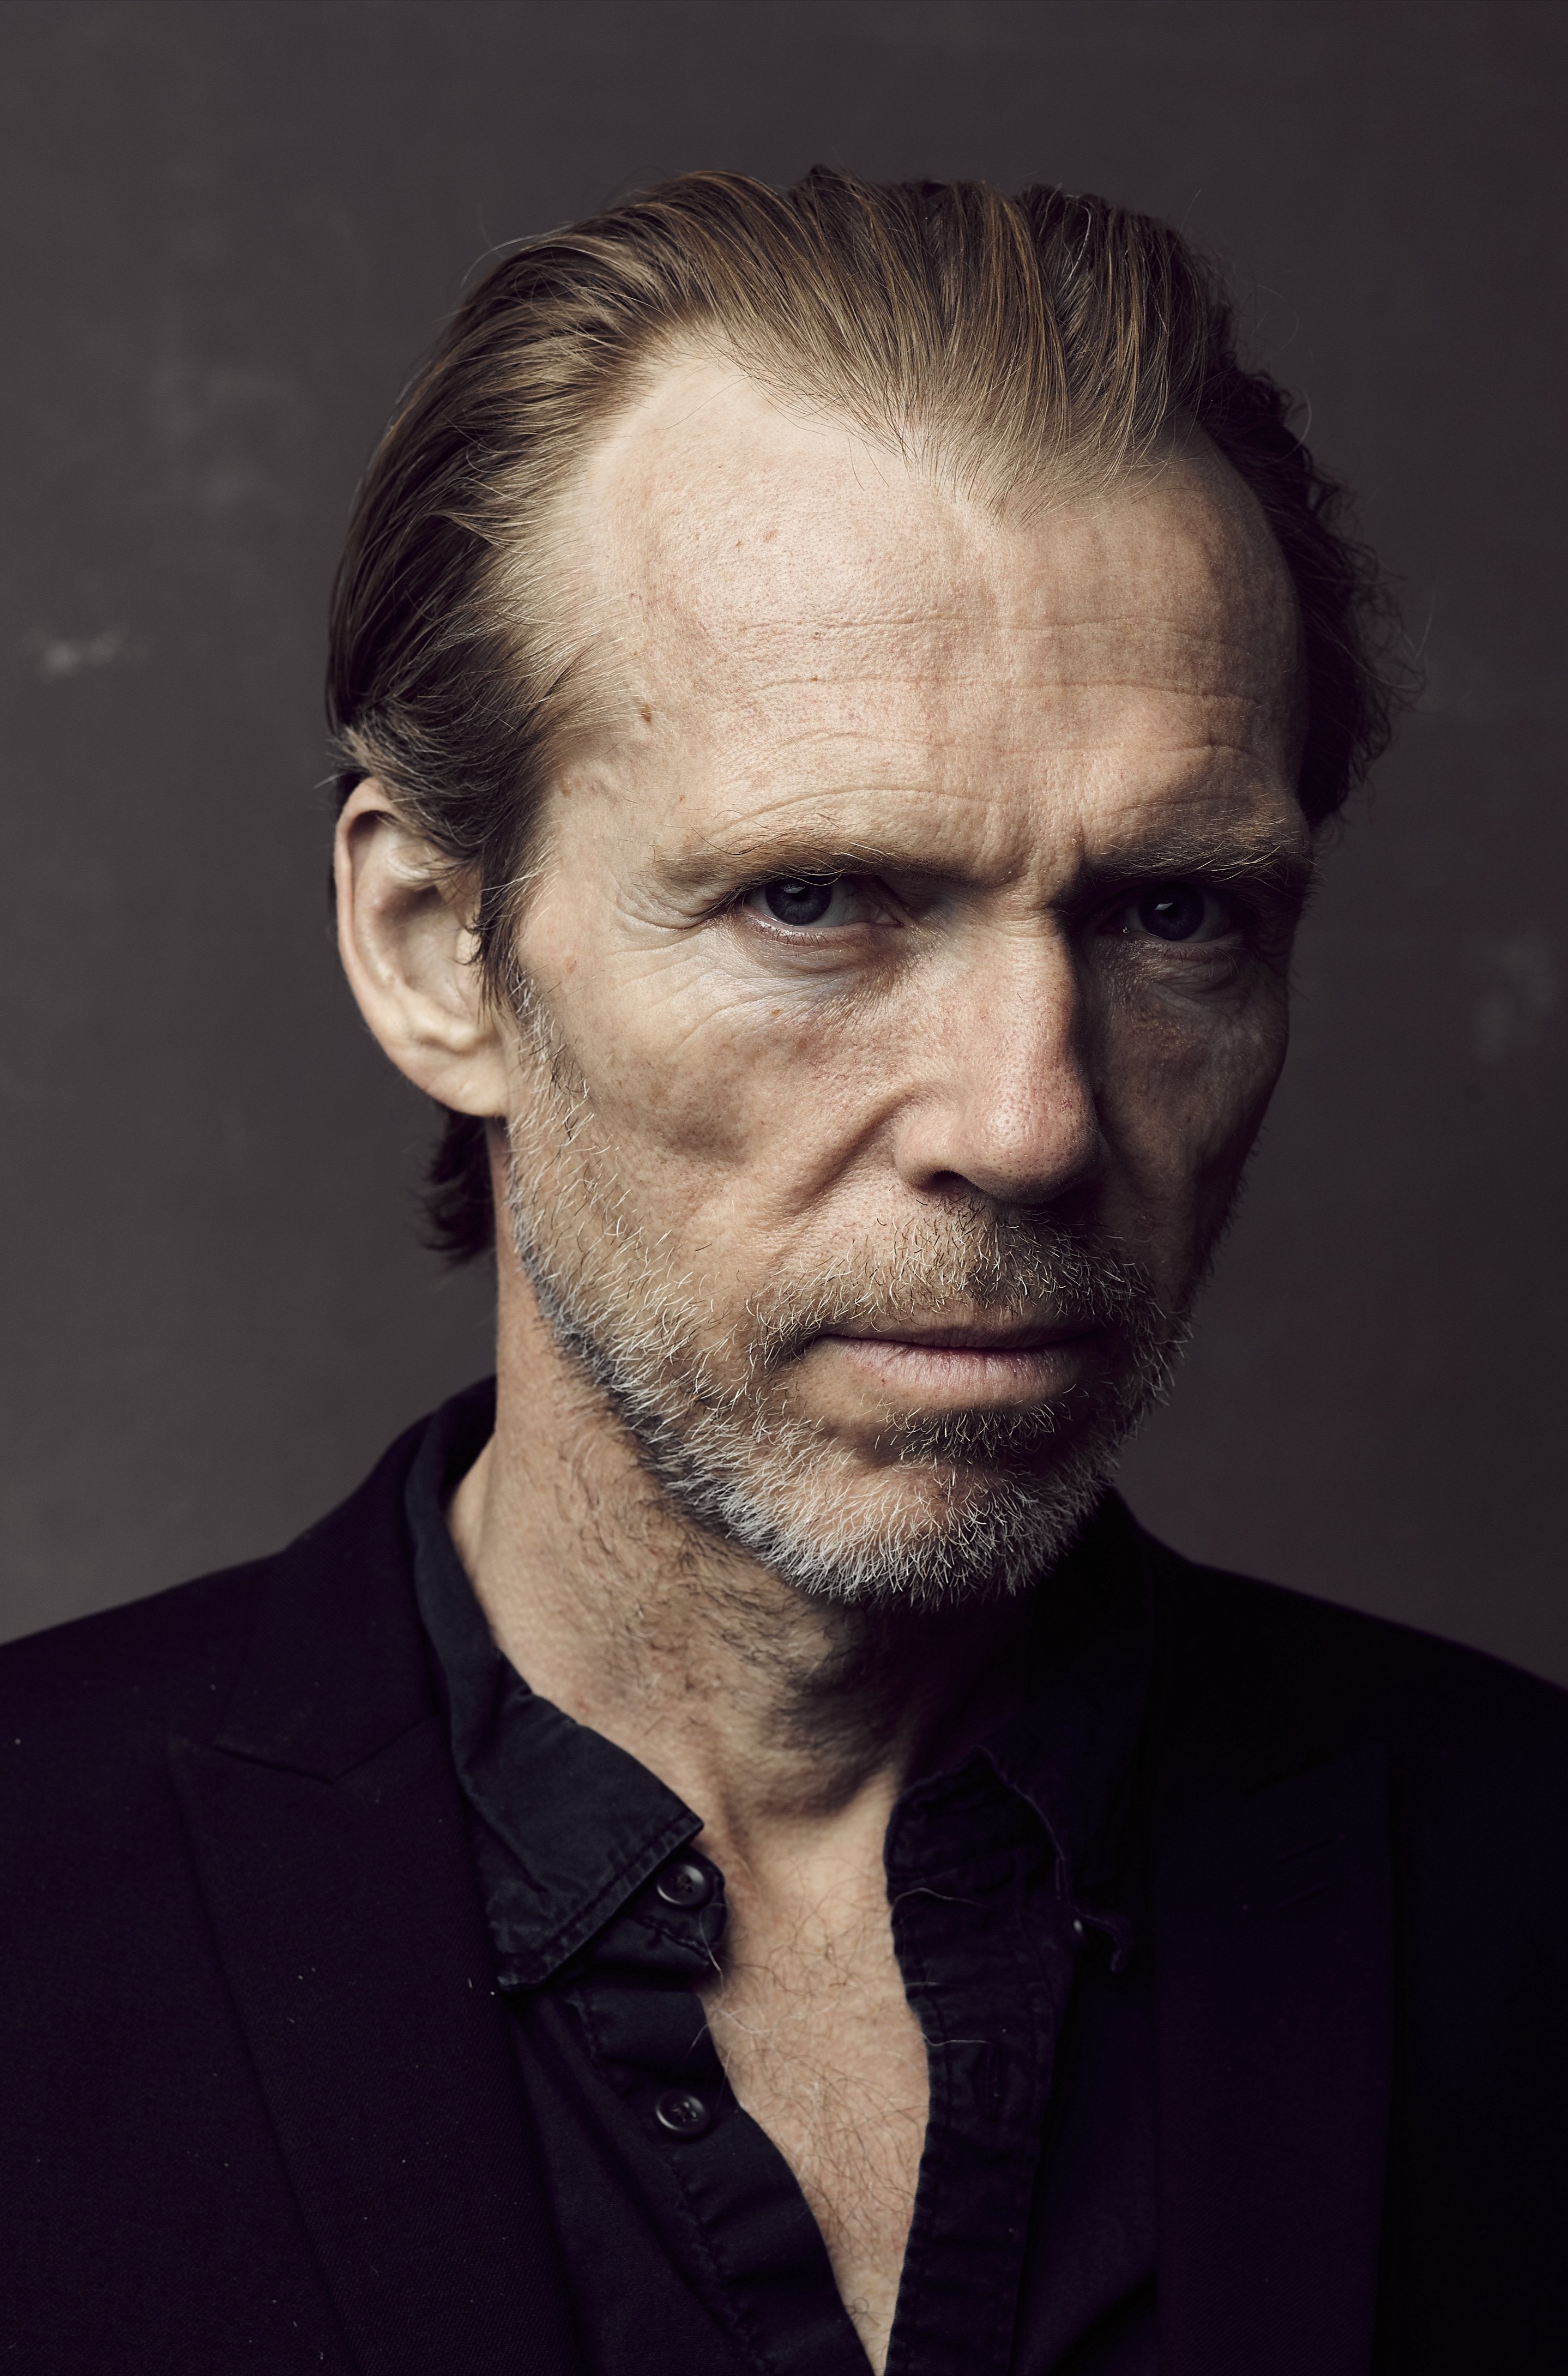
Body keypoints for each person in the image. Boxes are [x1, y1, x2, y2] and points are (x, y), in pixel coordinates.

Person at [2, 168, 1564, 2376]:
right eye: (814, 902)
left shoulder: (1522, 1896)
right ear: (435, 950)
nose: (1028, 1120)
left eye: (1170, 914)